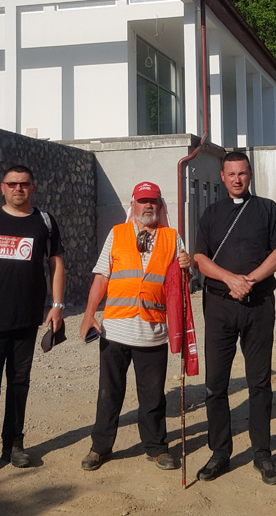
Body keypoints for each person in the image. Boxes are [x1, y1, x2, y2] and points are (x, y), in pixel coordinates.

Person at [0, 165, 65, 479]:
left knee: (19, 384)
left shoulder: (44, 222)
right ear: (2, 187)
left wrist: (57, 306)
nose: (19, 188)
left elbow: (56, 264)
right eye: (13, 183)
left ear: (33, 188)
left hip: (27, 319)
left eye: (24, 184)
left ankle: (14, 446)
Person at [80, 181, 193, 472]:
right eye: (143, 201)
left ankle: (157, 448)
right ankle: (100, 447)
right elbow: (102, 276)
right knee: (109, 393)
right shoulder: (117, 234)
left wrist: (186, 266)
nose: (148, 206)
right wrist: (89, 314)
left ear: (160, 205)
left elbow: (181, 285)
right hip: (115, 331)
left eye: (153, 201)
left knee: (153, 397)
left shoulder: (172, 238)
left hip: (153, 333)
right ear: (133, 205)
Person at [193, 151, 276, 485]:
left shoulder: (267, 209)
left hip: (258, 305)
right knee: (215, 384)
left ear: (250, 175)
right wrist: (230, 280)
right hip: (219, 306)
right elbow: (200, 258)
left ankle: (262, 452)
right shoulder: (211, 213)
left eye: (242, 173)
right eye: (231, 174)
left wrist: (249, 280)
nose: (237, 179)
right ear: (222, 177)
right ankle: (219, 451)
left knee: (259, 383)